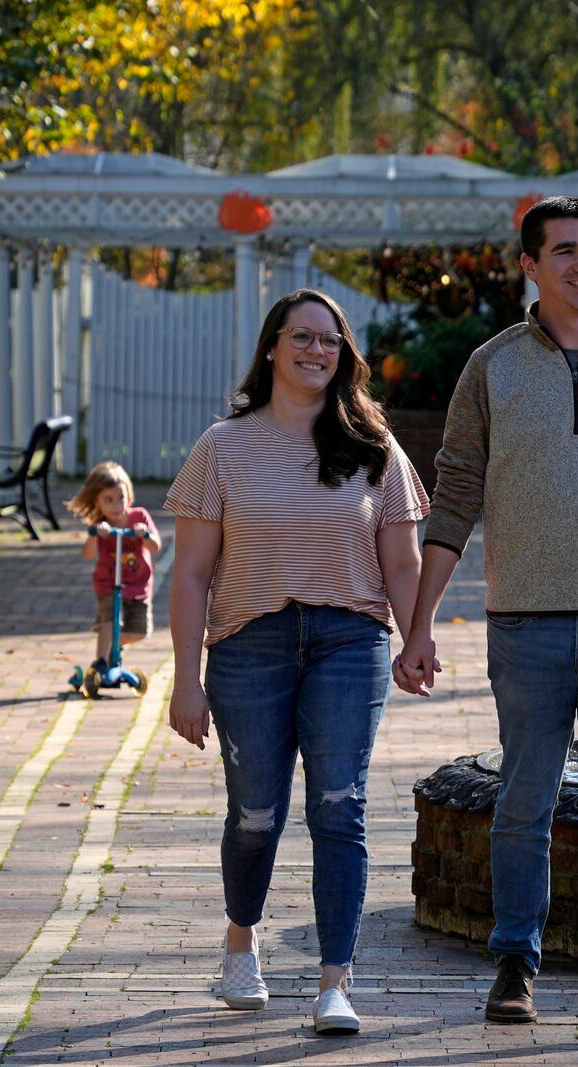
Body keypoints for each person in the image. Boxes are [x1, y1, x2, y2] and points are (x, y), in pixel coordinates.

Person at [394, 195, 578, 1046]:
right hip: (523, 622)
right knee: (523, 801)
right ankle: (515, 962)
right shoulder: (492, 369)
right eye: (564, 251)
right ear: (529, 265)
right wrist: (419, 626)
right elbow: (453, 499)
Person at [165, 288, 429, 1035]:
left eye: (331, 341)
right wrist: (186, 679)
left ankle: (334, 984)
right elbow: (189, 575)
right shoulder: (223, 446)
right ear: (273, 347)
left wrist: (416, 639)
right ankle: (241, 942)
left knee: (340, 807)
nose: (318, 351)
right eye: (303, 338)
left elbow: (402, 564)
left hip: (350, 641)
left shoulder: (375, 447)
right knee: (256, 814)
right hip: (250, 645)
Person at [67, 461, 162, 672]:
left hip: (138, 584)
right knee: (108, 622)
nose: (117, 505)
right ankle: (100, 663)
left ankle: (114, 648)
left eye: (121, 497)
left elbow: (155, 547)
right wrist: (94, 534)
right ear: (97, 502)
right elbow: (88, 554)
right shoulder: (100, 524)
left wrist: (144, 533)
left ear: (129, 494)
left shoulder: (139, 517)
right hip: (109, 584)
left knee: (139, 631)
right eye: (108, 500)